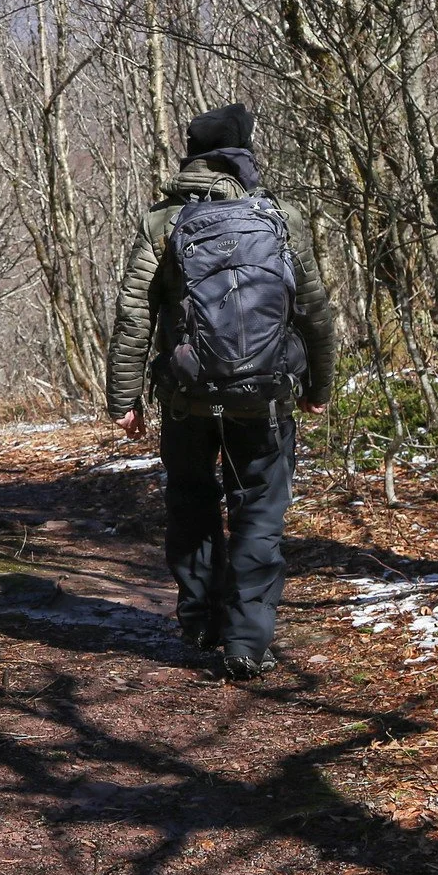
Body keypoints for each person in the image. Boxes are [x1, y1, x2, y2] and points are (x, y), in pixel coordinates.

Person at [105, 103, 337, 679]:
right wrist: (318, 385)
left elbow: (134, 315)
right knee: (259, 511)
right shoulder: (280, 218)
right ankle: (247, 642)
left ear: (191, 154)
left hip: (185, 396)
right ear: (245, 153)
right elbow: (313, 310)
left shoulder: (163, 222)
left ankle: (201, 620)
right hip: (265, 395)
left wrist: (124, 398)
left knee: (191, 500)